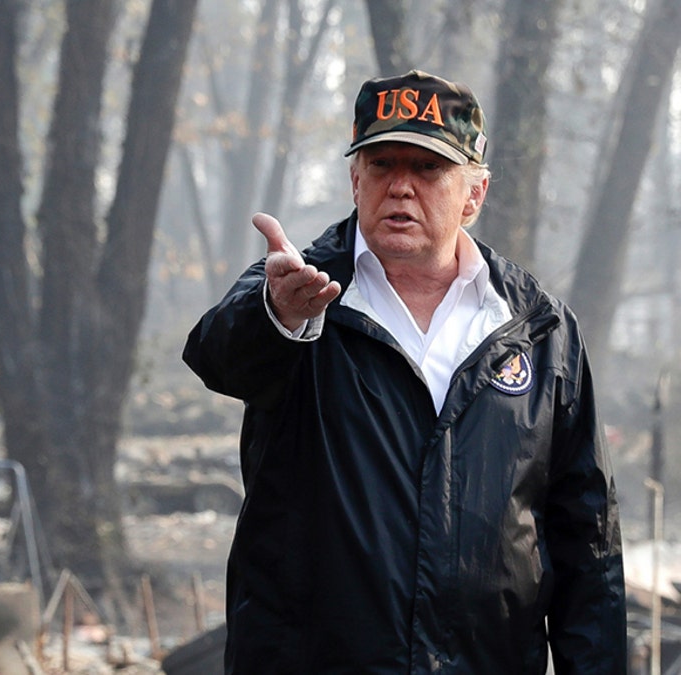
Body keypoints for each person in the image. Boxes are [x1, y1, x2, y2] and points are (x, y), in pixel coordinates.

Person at [183, 70, 626, 673]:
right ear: (355, 180)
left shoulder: (540, 329)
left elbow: (588, 546)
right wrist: (278, 314)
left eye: (427, 168)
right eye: (383, 164)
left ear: (474, 194)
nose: (400, 188)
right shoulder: (301, 289)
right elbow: (218, 357)